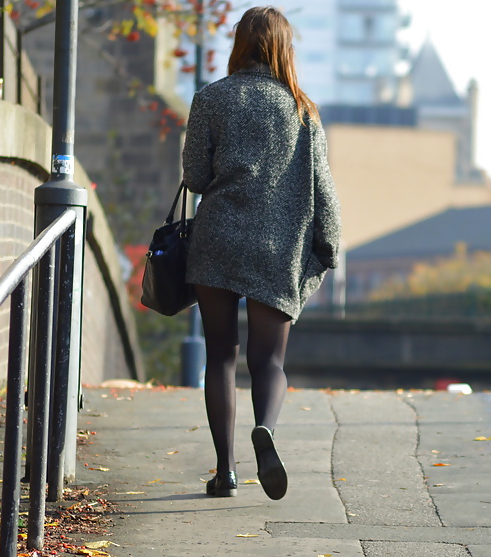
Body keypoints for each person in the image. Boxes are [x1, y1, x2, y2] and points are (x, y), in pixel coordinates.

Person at [181, 6, 341, 500]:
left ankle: (224, 472)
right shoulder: (302, 109)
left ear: (240, 45)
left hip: (219, 241)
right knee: (268, 361)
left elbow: (195, 178)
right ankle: (265, 429)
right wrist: (329, 243)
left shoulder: (210, 98)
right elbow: (323, 187)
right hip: (278, 248)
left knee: (221, 357)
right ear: (283, 48)